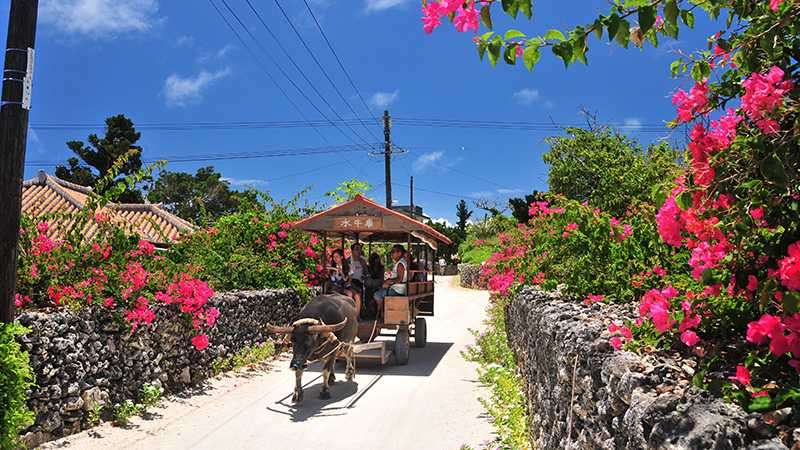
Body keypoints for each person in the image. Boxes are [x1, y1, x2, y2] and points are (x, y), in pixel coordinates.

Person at [373, 244, 408, 314]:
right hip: (398, 288)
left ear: (399, 253)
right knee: (380, 288)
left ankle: (382, 313)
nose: (391, 254)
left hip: (397, 290)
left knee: (377, 295)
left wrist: (389, 281)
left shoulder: (400, 264)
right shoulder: (401, 262)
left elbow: (399, 279)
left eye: (393, 252)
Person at [346, 243, 367, 318]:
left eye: (360, 249)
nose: (359, 251)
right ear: (352, 251)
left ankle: (359, 314)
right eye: (357, 249)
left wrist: (364, 277)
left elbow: (366, 273)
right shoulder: (348, 261)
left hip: (360, 282)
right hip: (350, 282)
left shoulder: (362, 261)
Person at [363, 252, 384, 319]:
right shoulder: (368, 267)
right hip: (369, 286)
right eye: (374, 260)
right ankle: (370, 312)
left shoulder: (381, 268)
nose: (376, 262)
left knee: (374, 295)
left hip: (376, 285)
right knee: (368, 296)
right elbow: (366, 276)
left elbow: (381, 278)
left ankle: (376, 313)